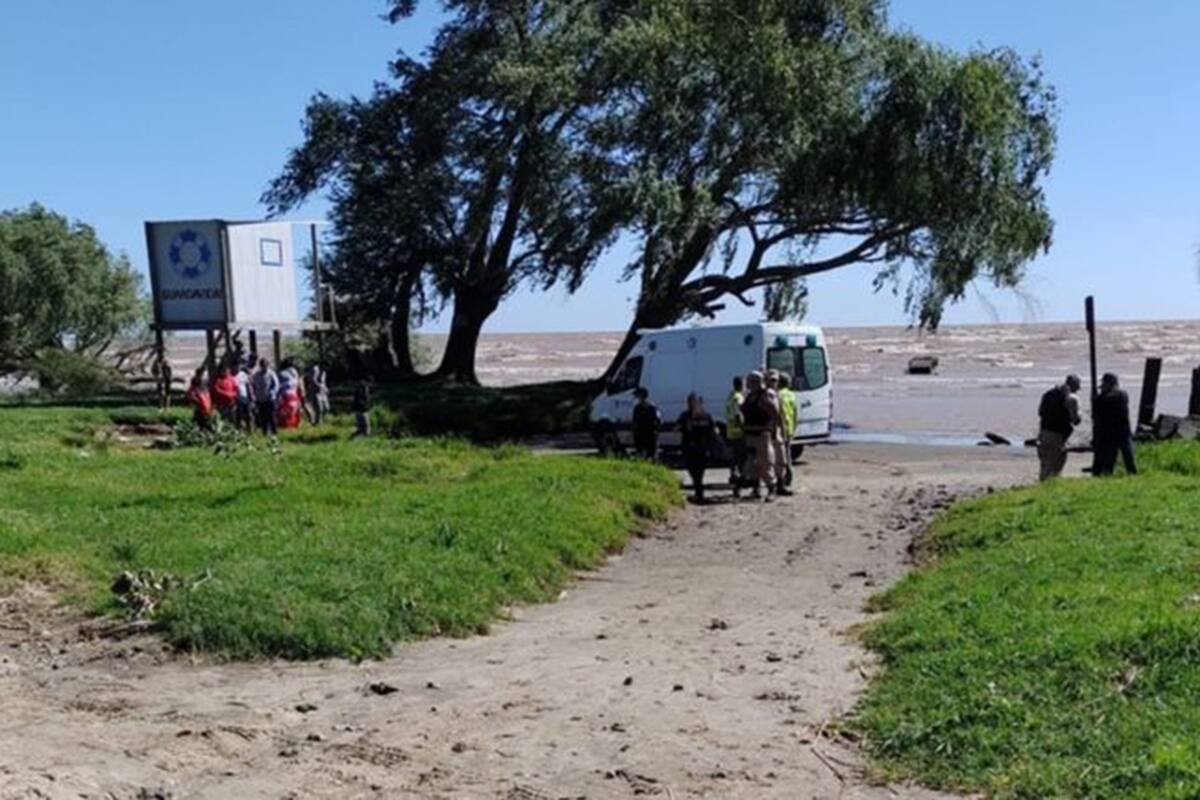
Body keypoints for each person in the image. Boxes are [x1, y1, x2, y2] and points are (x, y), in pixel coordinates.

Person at [1037, 374, 1082, 481]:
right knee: (1056, 465)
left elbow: (1040, 412)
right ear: (1074, 386)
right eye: (1077, 388)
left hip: (1043, 433)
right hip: (1057, 436)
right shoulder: (1071, 398)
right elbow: (1076, 420)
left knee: (1045, 465)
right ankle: (1050, 488)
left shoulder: (1048, 394)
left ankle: (1043, 487)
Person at [741, 371, 777, 500]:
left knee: (766, 463)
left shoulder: (765, 396)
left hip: (762, 433)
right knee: (752, 464)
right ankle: (755, 490)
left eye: (751, 382)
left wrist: (774, 431)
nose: (749, 385)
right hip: (750, 433)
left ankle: (771, 489)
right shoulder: (750, 397)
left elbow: (774, 413)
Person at [1093, 372, 1137, 476]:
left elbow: (1097, 416)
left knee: (1109, 458)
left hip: (1109, 433)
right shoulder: (1123, 395)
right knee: (1128, 456)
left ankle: (1106, 474)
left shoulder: (1102, 398)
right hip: (1123, 430)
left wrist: (1096, 399)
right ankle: (1132, 474)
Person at [678, 393, 717, 503]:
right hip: (694, 448)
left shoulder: (703, 416)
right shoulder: (687, 415)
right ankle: (699, 493)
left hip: (697, 448)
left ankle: (699, 494)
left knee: (697, 473)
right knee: (696, 473)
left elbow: (712, 432)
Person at [764, 370, 793, 496]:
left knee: (781, 459)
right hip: (768, 432)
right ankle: (771, 487)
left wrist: (784, 430)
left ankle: (781, 485)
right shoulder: (764, 395)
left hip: (778, 432)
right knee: (769, 460)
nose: (773, 383)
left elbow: (781, 414)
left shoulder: (778, 395)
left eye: (775, 380)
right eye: (771, 380)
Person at [725, 376, 747, 497]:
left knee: (733, 461)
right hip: (739, 433)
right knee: (741, 461)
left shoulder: (730, 396)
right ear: (741, 385)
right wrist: (744, 429)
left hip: (730, 432)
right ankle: (738, 486)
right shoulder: (738, 398)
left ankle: (734, 481)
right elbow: (738, 415)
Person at [777, 372, 798, 488]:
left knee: (780, 455)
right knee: (787, 454)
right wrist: (794, 428)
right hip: (789, 428)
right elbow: (795, 414)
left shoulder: (778, 395)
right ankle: (789, 476)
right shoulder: (791, 395)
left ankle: (783, 478)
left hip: (781, 429)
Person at [251, 358, 280, 436]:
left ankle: (274, 432)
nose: (264, 367)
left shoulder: (271, 374)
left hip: (269, 399)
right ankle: (265, 432)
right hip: (260, 399)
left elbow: (276, 385)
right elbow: (253, 385)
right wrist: (254, 395)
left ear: (267, 365)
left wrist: (273, 392)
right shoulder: (256, 375)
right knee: (262, 417)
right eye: (262, 365)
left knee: (271, 416)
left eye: (265, 365)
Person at [631, 387, 661, 461]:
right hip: (644, 435)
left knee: (649, 455)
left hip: (648, 435)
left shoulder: (649, 408)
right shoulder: (651, 407)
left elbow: (657, 421)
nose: (636, 398)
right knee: (646, 455)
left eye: (637, 396)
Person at [276, 359, 305, 430]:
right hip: (294, 393)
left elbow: (279, 385)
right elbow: (298, 383)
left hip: (285, 394)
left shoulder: (281, 373)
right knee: (295, 409)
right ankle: (294, 424)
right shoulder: (294, 372)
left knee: (286, 410)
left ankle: (286, 424)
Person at [234, 361, 255, 433]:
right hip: (237, 398)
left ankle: (250, 430)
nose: (236, 368)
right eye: (235, 366)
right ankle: (239, 430)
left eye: (238, 366)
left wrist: (251, 396)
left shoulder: (243, 374)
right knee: (239, 416)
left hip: (245, 396)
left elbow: (248, 385)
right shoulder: (232, 376)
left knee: (248, 414)